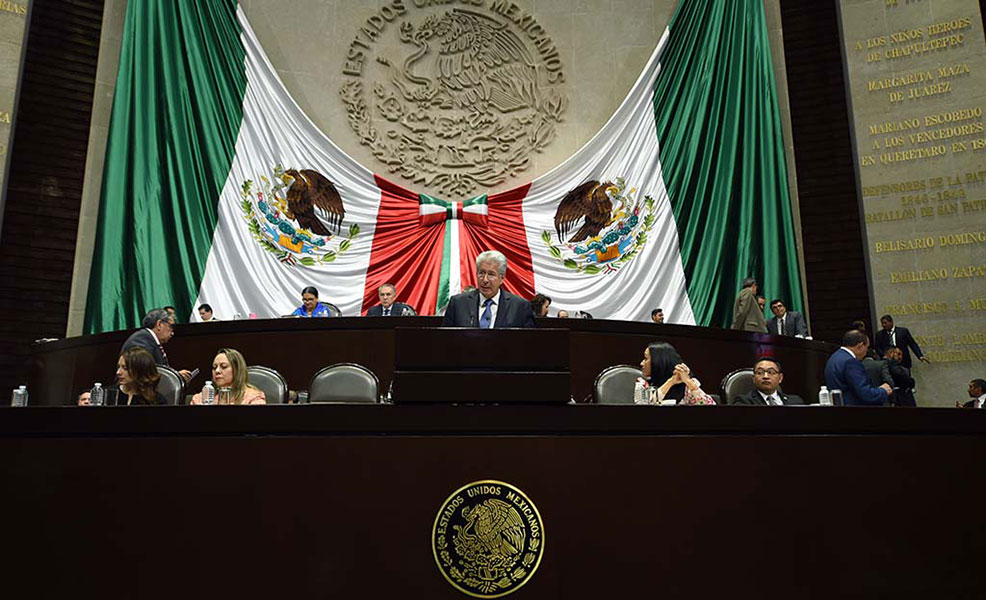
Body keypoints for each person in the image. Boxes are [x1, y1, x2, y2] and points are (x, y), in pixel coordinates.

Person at [442, 251, 536, 328]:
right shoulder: (458, 303)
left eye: (491, 274)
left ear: (502, 278)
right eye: (481, 273)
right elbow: (445, 340)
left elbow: (529, 342)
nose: (485, 280)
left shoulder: (520, 307)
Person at [824, 330, 892, 406]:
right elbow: (864, 393)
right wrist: (883, 391)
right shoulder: (850, 362)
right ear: (860, 345)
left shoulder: (834, 357)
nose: (866, 351)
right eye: (867, 347)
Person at [633, 342, 715, 405]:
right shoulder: (642, 385)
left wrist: (688, 382)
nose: (641, 363)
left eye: (645, 358)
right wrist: (671, 381)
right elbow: (646, 410)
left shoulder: (687, 387)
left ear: (659, 362)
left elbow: (711, 409)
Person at [78, 347, 166, 406]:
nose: (118, 372)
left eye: (125, 368)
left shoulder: (157, 401)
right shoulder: (105, 394)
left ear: (140, 370)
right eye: (118, 367)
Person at [120, 308, 191, 380]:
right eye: (171, 326)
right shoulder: (141, 340)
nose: (172, 333)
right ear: (159, 324)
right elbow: (145, 373)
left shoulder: (148, 339)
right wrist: (176, 376)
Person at [191, 348, 266, 405]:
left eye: (224, 366)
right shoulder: (200, 399)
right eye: (214, 367)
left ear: (237, 370)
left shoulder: (254, 398)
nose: (217, 371)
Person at [731, 357, 804, 405]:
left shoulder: (796, 401)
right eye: (760, 372)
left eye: (771, 372)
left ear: (780, 378)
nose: (766, 376)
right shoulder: (744, 402)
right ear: (753, 378)